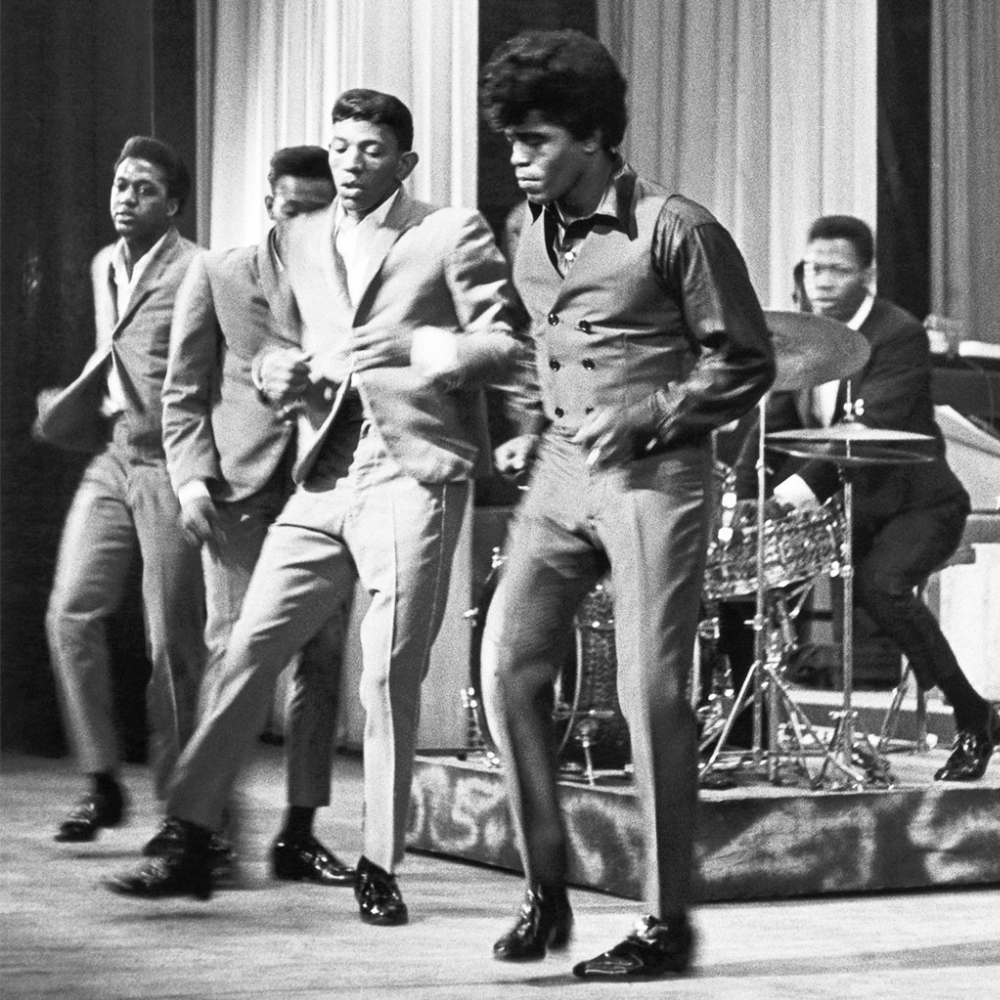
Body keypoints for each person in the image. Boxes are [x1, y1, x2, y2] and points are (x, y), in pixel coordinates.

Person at [105, 89, 527, 922]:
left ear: (402, 162)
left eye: (371, 149)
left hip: (412, 472)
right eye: (340, 146)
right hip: (323, 476)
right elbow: (273, 344)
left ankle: (379, 860)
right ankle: (190, 837)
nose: (350, 162)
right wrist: (272, 371)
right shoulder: (293, 238)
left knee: (384, 674)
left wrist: (422, 347)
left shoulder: (448, 231)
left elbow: (505, 343)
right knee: (246, 653)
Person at [478, 31, 775, 981]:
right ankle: (546, 886)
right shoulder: (531, 231)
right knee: (507, 666)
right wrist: (529, 419)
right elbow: (538, 342)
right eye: (511, 141)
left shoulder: (676, 227)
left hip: (658, 474)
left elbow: (746, 358)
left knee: (651, 694)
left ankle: (666, 921)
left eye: (536, 139)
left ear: (596, 136)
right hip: (561, 471)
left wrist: (646, 413)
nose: (519, 157)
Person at [158, 146, 353, 886]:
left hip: (323, 492)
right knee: (231, 656)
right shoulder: (219, 273)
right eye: (291, 204)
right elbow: (183, 394)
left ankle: (298, 834)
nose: (303, 217)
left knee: (323, 663)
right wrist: (192, 485)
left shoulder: (352, 281)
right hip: (236, 495)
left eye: (319, 205)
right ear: (269, 203)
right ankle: (208, 829)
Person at [768, 214, 999, 781]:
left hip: (921, 506)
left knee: (882, 585)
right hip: (846, 512)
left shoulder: (897, 334)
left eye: (837, 270)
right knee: (743, 573)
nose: (821, 281)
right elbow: (773, 427)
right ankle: (747, 720)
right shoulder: (800, 337)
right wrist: (745, 493)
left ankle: (975, 718)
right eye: (813, 267)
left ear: (867, 274)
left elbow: (872, 432)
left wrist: (791, 493)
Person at [34, 136, 205, 842]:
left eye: (141, 188)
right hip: (113, 453)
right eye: (118, 185)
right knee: (70, 611)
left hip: (171, 460)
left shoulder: (199, 270)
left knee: (173, 643)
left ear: (171, 203)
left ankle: (182, 809)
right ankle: (102, 780)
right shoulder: (106, 264)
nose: (124, 198)